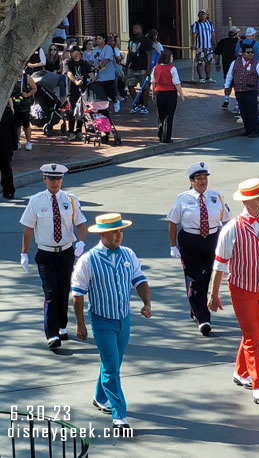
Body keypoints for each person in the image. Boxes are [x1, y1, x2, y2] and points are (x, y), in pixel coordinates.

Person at [208, 178, 259, 405]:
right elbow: (220, 264)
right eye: (258, 198)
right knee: (252, 337)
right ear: (246, 201)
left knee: (253, 334)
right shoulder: (231, 228)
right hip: (241, 290)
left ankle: (239, 371)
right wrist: (213, 295)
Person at [71, 213, 152, 431]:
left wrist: (147, 303)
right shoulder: (88, 260)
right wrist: (80, 324)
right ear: (103, 234)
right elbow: (78, 294)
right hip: (101, 320)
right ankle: (120, 416)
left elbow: (139, 279)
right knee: (111, 367)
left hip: (123, 319)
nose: (119, 235)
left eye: (121, 231)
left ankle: (100, 397)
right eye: (115, 232)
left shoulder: (128, 254)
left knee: (113, 363)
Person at [19, 164, 87, 349]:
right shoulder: (36, 201)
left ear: (62, 180)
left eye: (58, 179)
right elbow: (28, 227)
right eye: (51, 178)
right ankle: (52, 334)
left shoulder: (70, 199)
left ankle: (62, 325)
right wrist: (24, 251)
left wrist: (81, 241)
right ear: (44, 179)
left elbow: (80, 222)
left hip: (66, 252)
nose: (55, 182)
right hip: (46, 253)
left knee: (64, 290)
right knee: (51, 292)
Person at [167, 161, 231, 335]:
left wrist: (229, 242)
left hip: (212, 239)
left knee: (207, 276)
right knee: (195, 280)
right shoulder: (183, 199)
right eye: (198, 179)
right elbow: (173, 223)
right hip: (190, 240)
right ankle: (204, 318)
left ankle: (195, 307)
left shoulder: (216, 196)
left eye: (205, 178)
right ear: (191, 181)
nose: (202, 182)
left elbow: (226, 221)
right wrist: (173, 246)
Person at [224, 44, 259, 138]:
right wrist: (227, 86)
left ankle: (255, 131)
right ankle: (247, 130)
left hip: (251, 91)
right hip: (239, 91)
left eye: (252, 52)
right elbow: (229, 75)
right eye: (248, 52)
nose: (251, 54)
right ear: (242, 53)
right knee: (243, 112)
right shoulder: (235, 63)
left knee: (252, 112)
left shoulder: (257, 64)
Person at [151, 49, 185, 143]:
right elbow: (176, 83)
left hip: (159, 93)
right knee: (169, 115)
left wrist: (153, 93)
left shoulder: (156, 68)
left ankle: (160, 134)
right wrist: (181, 94)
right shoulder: (172, 68)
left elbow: (153, 82)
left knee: (161, 114)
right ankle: (167, 137)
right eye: (171, 57)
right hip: (170, 93)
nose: (172, 58)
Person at [64, 44, 95, 141]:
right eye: (69, 51)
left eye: (72, 51)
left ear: (78, 52)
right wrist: (76, 81)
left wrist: (96, 81)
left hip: (83, 91)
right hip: (72, 90)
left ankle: (78, 131)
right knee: (72, 111)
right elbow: (69, 73)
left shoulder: (84, 63)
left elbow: (90, 74)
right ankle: (70, 132)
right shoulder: (67, 62)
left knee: (82, 111)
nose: (70, 53)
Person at [126, 23, 153, 114]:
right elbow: (129, 53)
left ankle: (145, 105)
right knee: (130, 85)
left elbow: (149, 54)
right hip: (133, 66)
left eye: (136, 28)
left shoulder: (146, 40)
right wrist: (127, 65)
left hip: (143, 67)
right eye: (133, 28)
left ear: (141, 29)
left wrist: (148, 68)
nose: (134, 30)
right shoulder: (131, 40)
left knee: (145, 87)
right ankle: (137, 103)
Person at [93, 34, 120, 113]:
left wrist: (100, 67)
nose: (98, 40)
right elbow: (92, 59)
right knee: (101, 91)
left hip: (108, 74)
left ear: (104, 39)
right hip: (99, 74)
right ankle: (104, 108)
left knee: (110, 91)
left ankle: (115, 101)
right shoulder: (95, 49)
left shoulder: (108, 48)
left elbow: (107, 59)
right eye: (97, 39)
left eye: (99, 38)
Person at [214, 26, 240, 109]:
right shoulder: (239, 42)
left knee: (227, 82)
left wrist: (217, 64)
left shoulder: (222, 42)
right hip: (237, 65)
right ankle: (237, 102)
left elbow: (217, 54)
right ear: (236, 34)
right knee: (237, 84)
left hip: (226, 65)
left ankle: (226, 99)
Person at [11, 69, 36, 151]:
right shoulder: (12, 78)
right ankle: (17, 142)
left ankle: (28, 142)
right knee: (17, 125)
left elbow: (34, 88)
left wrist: (27, 94)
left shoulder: (27, 78)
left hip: (25, 105)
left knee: (26, 125)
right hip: (15, 105)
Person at [191, 9, 216, 83]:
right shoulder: (196, 24)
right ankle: (201, 77)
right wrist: (193, 44)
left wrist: (214, 44)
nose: (202, 16)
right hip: (200, 47)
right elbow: (194, 35)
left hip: (208, 46)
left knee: (209, 62)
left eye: (204, 14)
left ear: (206, 15)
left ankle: (208, 77)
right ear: (198, 16)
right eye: (201, 14)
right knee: (200, 62)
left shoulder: (209, 23)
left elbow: (213, 34)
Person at [0, 101, 17, 199]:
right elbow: (13, 129)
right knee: (6, 169)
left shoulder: (7, 111)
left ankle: (9, 190)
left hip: (5, 144)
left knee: (6, 169)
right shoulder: (7, 110)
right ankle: (9, 191)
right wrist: (15, 144)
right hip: (6, 145)